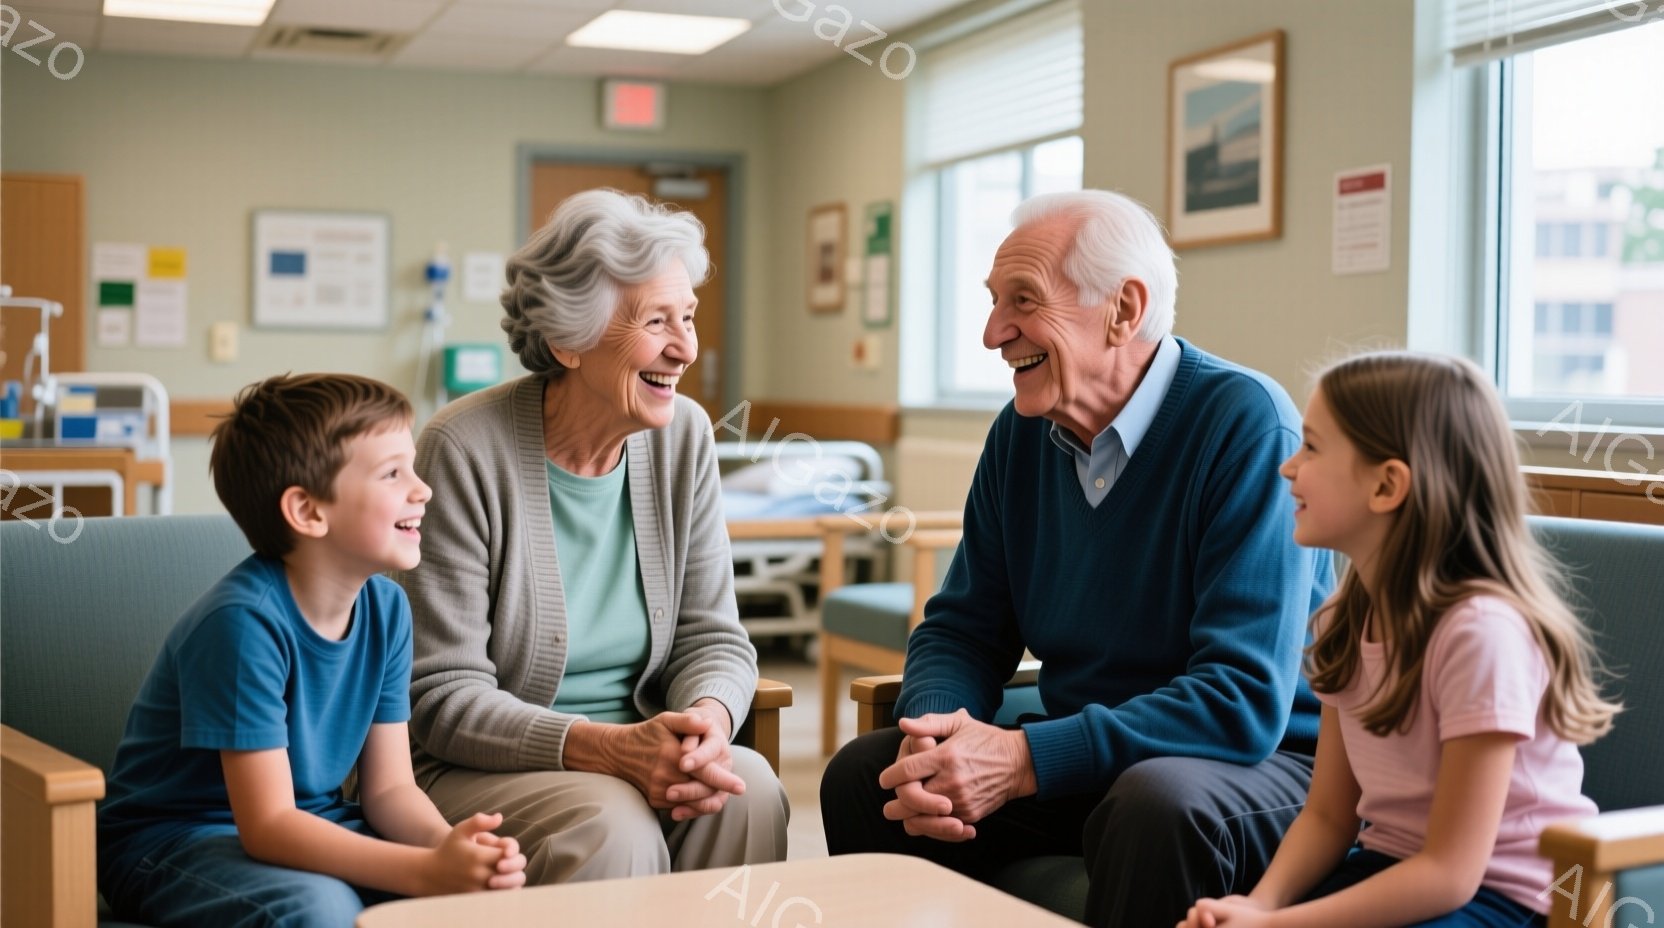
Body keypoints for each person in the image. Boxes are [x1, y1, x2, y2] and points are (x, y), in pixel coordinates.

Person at [820, 189, 1334, 928]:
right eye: (995, 302)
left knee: (1158, 802)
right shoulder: (1020, 435)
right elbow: (962, 628)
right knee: (869, 777)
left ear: (1124, 309)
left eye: (1023, 301)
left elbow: (1239, 700)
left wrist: (1025, 760)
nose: (995, 332)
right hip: (1101, 762)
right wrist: (935, 738)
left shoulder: (1246, 424)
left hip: (1259, 769)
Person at [399, 188, 788, 884]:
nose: (685, 346)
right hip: (481, 763)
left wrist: (704, 724)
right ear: (566, 342)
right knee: (610, 821)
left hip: (649, 744)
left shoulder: (685, 437)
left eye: (689, 317)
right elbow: (442, 695)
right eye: (656, 321)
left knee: (746, 791)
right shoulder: (462, 446)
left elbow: (714, 638)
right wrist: (609, 749)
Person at [1178, 352, 1620, 928]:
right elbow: (1330, 817)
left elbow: (1452, 872)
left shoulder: (1480, 634)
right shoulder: (1342, 619)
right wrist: (1258, 904)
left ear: (1387, 485)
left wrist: (1276, 925)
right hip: (1389, 865)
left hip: (1506, 898)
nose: (1288, 468)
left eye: (1311, 447)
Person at [97, 373, 527, 928]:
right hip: (174, 842)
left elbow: (391, 789)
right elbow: (269, 824)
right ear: (307, 512)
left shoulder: (388, 610)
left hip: (313, 820)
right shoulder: (242, 624)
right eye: (393, 473)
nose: (422, 489)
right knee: (319, 909)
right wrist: (424, 874)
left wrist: (450, 854)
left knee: (465, 902)